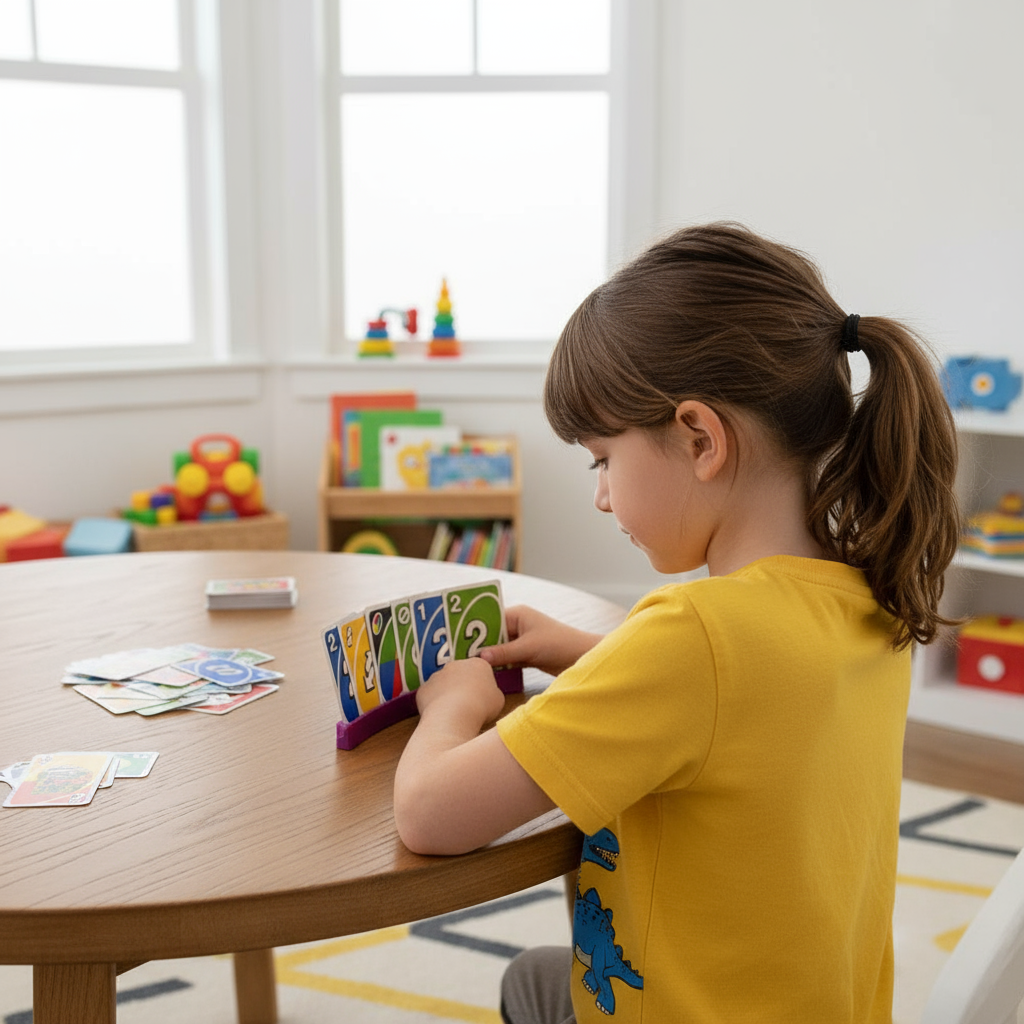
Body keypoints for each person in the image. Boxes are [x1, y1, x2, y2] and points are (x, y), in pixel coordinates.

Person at [392, 222, 961, 1023]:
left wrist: (452, 704)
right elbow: (749, 710)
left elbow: (428, 816)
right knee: (541, 974)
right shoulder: (868, 592)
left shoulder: (693, 634)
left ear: (699, 437)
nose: (599, 494)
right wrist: (584, 652)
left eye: (600, 458)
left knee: (528, 979)